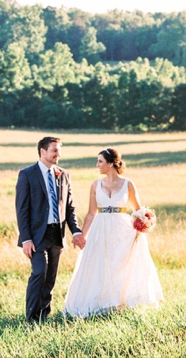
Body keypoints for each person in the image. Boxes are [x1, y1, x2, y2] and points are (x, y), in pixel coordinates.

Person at [63, 148, 163, 318]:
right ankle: (99, 303)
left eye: (100, 161)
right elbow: (91, 213)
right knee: (99, 265)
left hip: (122, 229)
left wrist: (143, 222)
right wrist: (82, 235)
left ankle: (119, 303)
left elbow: (138, 209)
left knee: (120, 265)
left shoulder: (128, 184)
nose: (97, 165)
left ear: (111, 163)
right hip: (100, 228)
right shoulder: (95, 184)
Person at [16, 136, 85, 322]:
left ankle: (43, 315)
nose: (58, 154)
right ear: (42, 152)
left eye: (59, 151)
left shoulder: (63, 174)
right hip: (36, 235)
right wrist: (26, 239)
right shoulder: (27, 174)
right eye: (54, 150)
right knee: (39, 272)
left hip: (57, 233)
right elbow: (21, 210)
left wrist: (76, 231)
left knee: (50, 276)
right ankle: (31, 317)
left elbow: (69, 206)